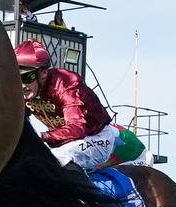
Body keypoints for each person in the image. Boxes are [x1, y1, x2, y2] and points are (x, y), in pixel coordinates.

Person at [15, 39, 148, 170]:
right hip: (64, 141)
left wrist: (44, 136)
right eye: (17, 77)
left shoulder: (64, 85)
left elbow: (77, 128)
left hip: (96, 137)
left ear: (43, 73)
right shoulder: (24, 91)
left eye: (27, 77)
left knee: (57, 160)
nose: (22, 85)